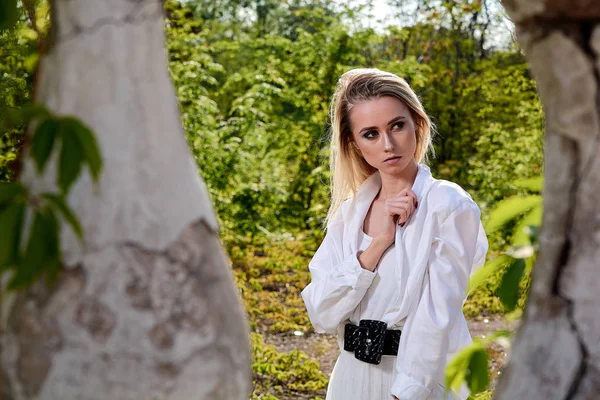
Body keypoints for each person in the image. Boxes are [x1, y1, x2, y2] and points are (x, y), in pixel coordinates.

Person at [301, 68, 488, 400]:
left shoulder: (449, 206)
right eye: (370, 134)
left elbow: (438, 315)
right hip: (350, 379)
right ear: (354, 144)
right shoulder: (347, 216)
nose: (388, 144)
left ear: (416, 123)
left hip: (417, 382)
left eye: (397, 126)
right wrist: (378, 244)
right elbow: (321, 311)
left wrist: (406, 393)